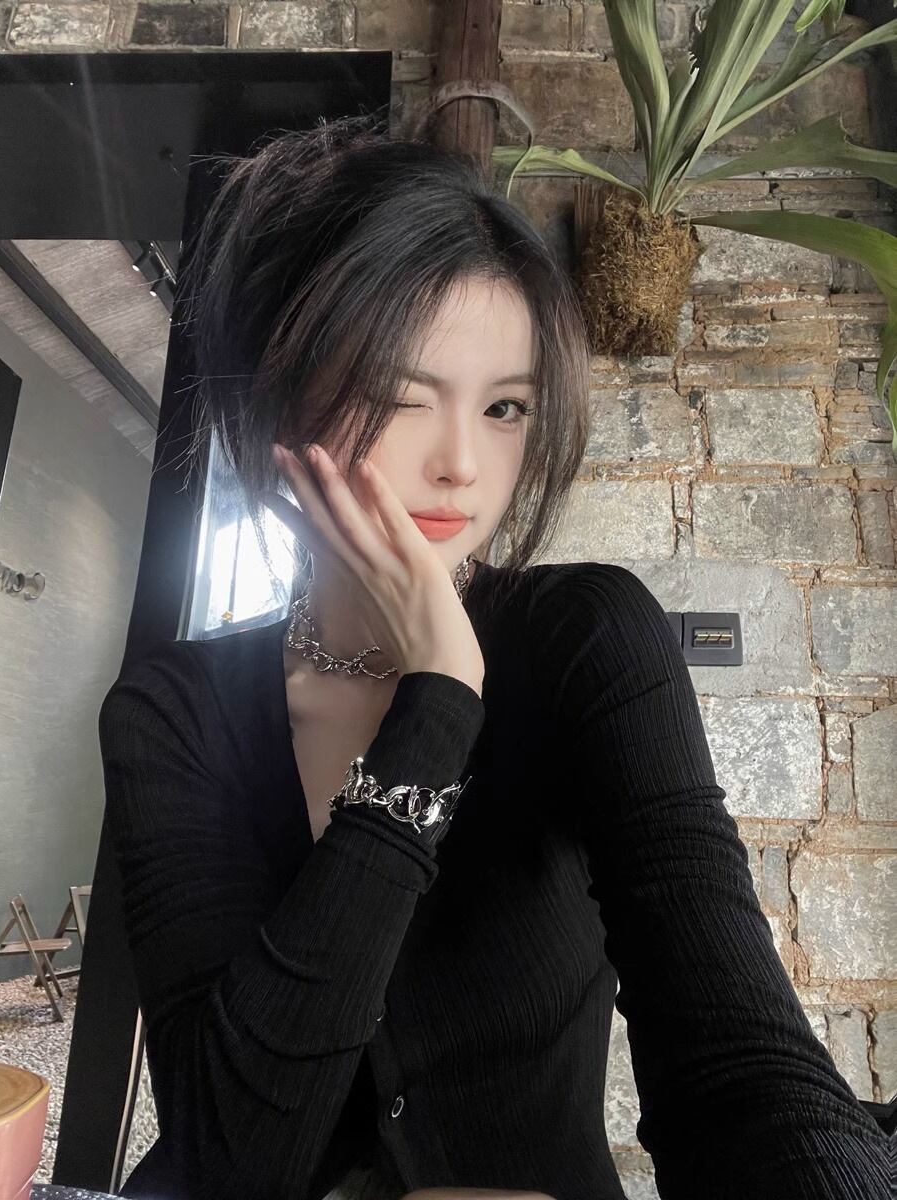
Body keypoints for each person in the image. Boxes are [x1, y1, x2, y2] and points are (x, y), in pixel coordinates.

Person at [97, 113, 892, 1200]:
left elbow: (739, 1060)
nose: (464, 465)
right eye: (397, 396)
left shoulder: (588, 639)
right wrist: (436, 702)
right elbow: (230, 1157)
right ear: (278, 395)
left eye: (506, 406)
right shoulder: (172, 712)